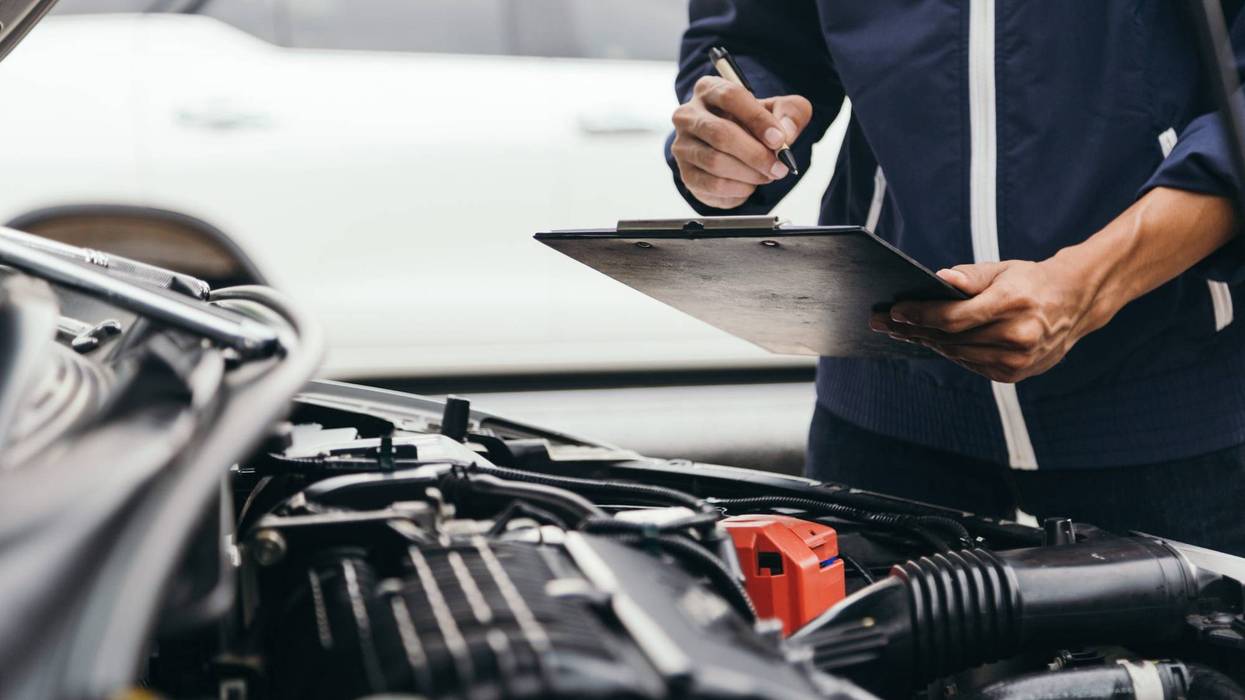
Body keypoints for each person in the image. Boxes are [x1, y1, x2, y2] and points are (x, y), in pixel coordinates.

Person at [665, 1, 1245, 554]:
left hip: (1177, 401)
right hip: (888, 403)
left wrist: (1094, 279)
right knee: (848, 650)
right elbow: (753, 34)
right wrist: (732, 137)